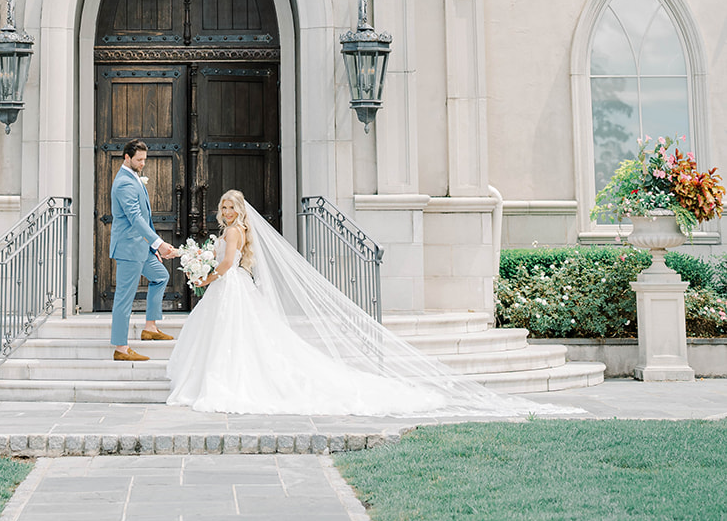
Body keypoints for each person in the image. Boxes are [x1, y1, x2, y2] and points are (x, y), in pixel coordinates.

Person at [166, 189, 553, 418]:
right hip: (229, 290)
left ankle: (226, 383)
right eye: (225, 206)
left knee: (236, 339)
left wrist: (206, 276)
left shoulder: (233, 232)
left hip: (229, 287)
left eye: (232, 207)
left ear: (240, 211)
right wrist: (208, 272)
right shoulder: (232, 230)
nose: (228, 211)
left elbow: (229, 263)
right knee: (236, 339)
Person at [109, 138, 180, 362]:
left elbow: (144, 218)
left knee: (161, 276)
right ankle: (121, 349)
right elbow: (136, 219)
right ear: (127, 158)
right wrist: (158, 242)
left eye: (144, 160)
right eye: (139, 160)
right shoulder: (123, 183)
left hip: (142, 247)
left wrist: (151, 246)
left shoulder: (134, 178)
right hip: (129, 249)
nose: (143, 164)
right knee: (124, 298)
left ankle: (150, 327)